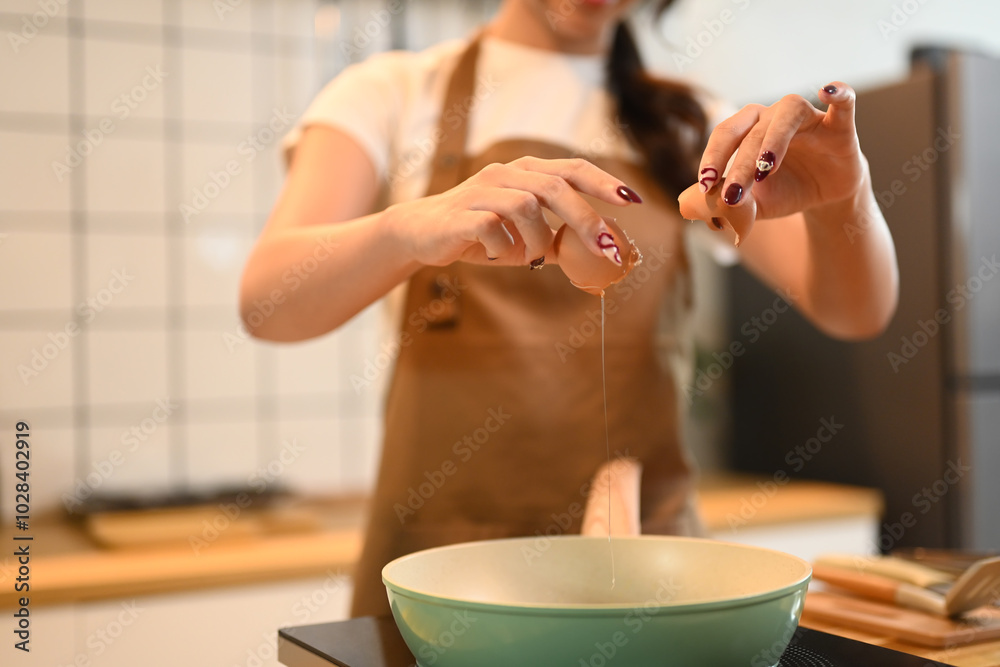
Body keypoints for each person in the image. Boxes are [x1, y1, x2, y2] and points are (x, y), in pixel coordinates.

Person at [239, 0, 898, 618]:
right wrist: (409, 229)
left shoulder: (690, 122)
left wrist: (844, 197)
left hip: (645, 575)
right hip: (446, 588)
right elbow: (268, 302)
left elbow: (854, 311)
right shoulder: (393, 92)